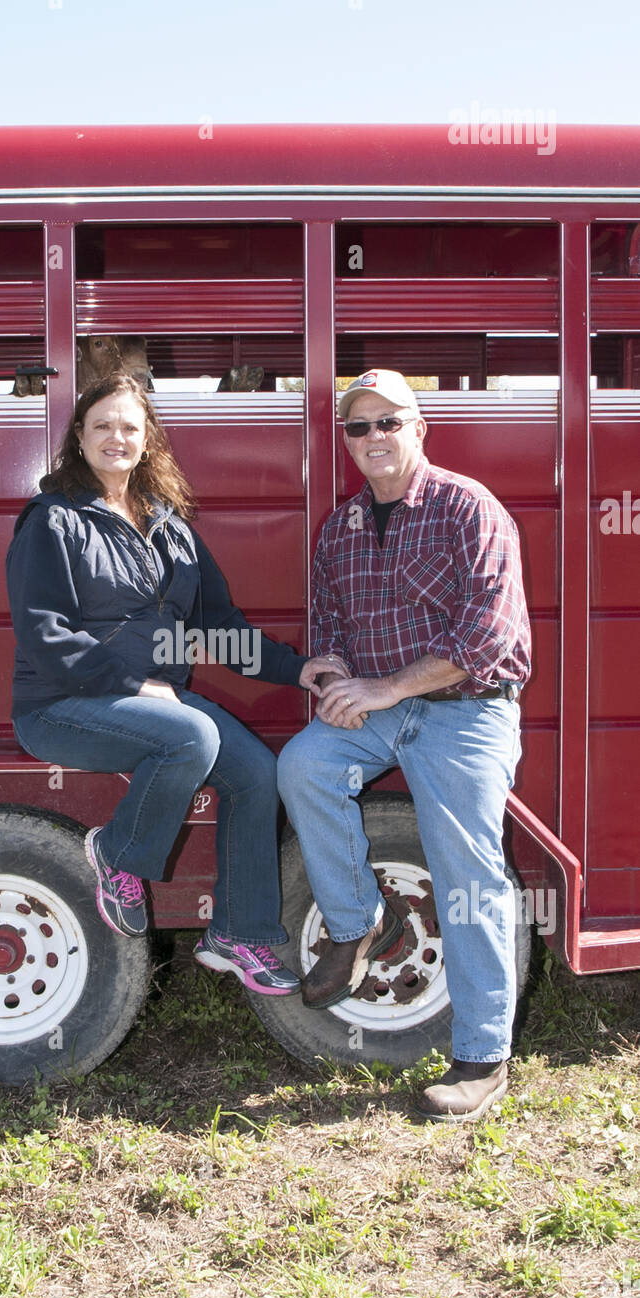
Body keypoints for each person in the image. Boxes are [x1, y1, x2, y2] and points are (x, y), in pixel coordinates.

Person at [6, 371, 333, 996]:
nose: (116, 437)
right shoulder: (52, 521)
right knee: (191, 737)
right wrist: (133, 679)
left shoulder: (170, 526)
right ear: (79, 435)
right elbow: (44, 635)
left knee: (259, 774)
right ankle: (120, 857)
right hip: (63, 705)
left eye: (130, 426)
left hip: (156, 702)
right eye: (102, 424)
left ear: (147, 439)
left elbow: (217, 627)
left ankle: (239, 932)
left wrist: (297, 670)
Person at [277, 369, 532, 1121]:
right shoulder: (341, 528)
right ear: (347, 442)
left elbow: (489, 637)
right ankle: (361, 923)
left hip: (466, 710)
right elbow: (330, 631)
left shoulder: (467, 508)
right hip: (385, 706)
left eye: (389, 421)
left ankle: (483, 1059)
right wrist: (328, 673)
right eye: (359, 427)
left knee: (467, 871)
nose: (374, 438)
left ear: (420, 428)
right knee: (305, 763)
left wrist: (386, 689)